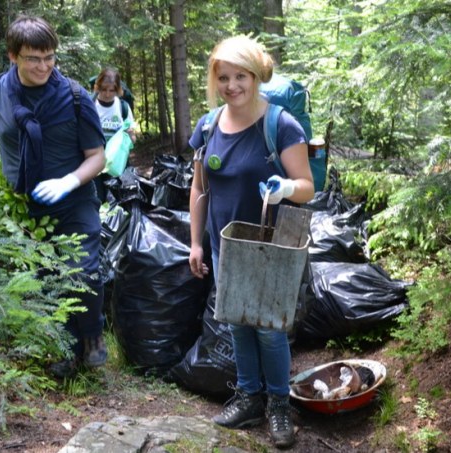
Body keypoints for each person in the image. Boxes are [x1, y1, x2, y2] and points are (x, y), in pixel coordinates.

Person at [187, 35, 314, 449]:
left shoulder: (280, 124)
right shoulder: (208, 126)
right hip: (227, 242)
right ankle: (248, 397)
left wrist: (284, 188)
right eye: (223, 77)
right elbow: (199, 188)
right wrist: (196, 243)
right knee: (236, 320)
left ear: (255, 76)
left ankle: (279, 404)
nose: (231, 85)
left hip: (269, 244)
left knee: (268, 329)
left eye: (239, 76)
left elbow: (307, 187)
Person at [0, 15, 108, 378]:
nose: (44, 66)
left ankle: (92, 335)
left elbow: (98, 158)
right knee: (45, 279)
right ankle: (64, 349)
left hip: (75, 201)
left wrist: (69, 182)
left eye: (49, 57)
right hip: (25, 207)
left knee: (86, 273)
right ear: (13, 56)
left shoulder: (74, 97)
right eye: (33, 58)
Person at [92, 68, 136, 203]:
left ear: (117, 90)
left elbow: (133, 139)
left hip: (117, 165)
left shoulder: (123, 107)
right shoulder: (90, 105)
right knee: (97, 201)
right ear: (97, 87)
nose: (107, 94)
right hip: (94, 163)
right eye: (103, 89)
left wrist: (129, 137)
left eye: (111, 90)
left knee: (117, 202)